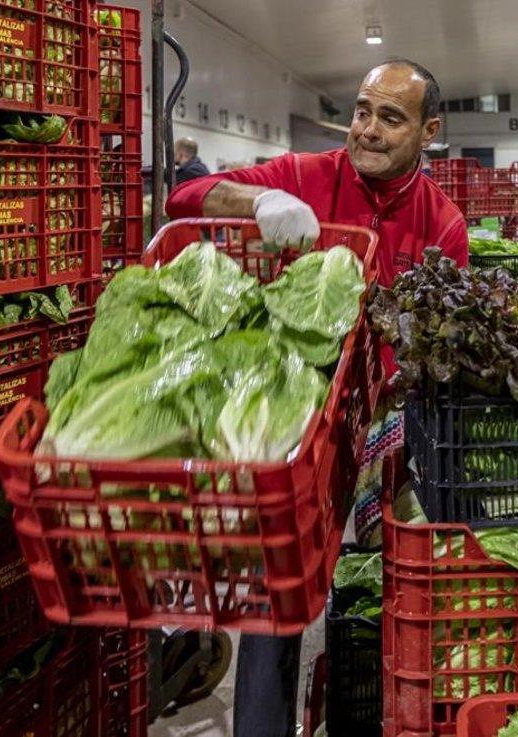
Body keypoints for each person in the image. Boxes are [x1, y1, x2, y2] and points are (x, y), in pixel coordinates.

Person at [166, 58, 468, 737]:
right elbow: (183, 200)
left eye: (391, 117)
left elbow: (432, 346)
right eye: (362, 111)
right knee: (274, 599)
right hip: (289, 427)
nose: (367, 129)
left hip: (381, 432)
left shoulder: (443, 224)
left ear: (430, 131)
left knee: (388, 591)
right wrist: (260, 204)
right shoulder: (304, 176)